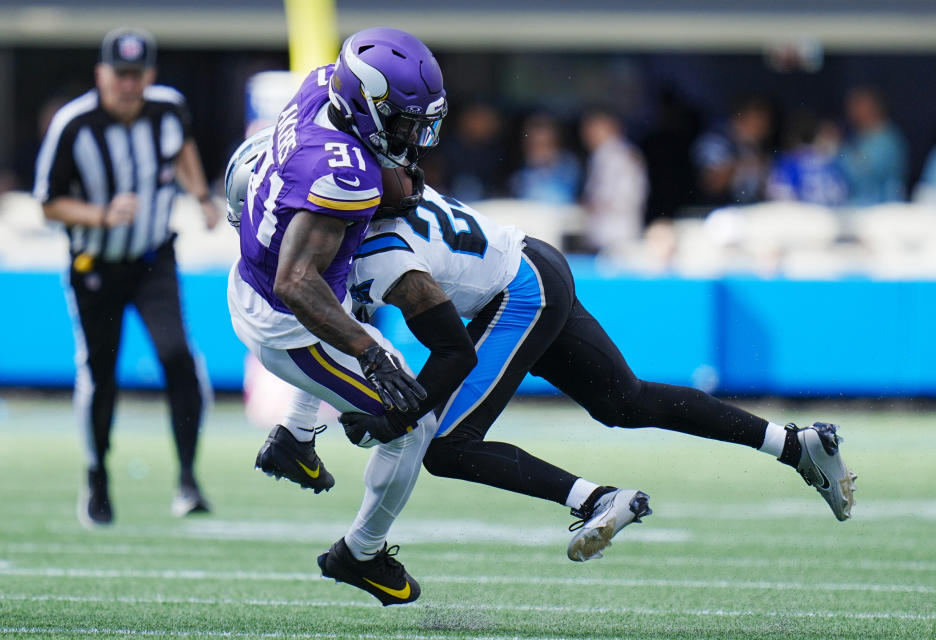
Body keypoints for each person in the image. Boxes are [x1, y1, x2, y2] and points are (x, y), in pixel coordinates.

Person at [226, 140, 857, 567]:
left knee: (443, 443)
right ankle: (795, 443)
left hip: (519, 293)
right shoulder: (358, 200)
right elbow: (345, 320)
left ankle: (595, 498)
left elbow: (449, 355)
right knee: (624, 402)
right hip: (531, 260)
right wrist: (298, 430)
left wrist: (388, 419)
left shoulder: (369, 248)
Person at [224, 28, 462, 607]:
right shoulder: (341, 173)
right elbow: (297, 283)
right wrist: (371, 355)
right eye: (403, 121)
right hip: (288, 319)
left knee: (355, 265)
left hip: (265, 275)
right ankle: (360, 553)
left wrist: (386, 184)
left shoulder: (320, 87)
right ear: (367, 103)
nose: (414, 135)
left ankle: (295, 440)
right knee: (412, 421)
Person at [33, 27, 220, 528]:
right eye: (120, 75)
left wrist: (201, 196)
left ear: (149, 76)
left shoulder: (168, 109)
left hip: (154, 258)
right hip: (94, 265)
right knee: (100, 374)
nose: (128, 85)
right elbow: (47, 204)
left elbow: (182, 146)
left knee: (178, 357)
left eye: (137, 75)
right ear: (102, 74)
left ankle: (187, 478)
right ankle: (96, 477)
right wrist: (100, 215)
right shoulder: (74, 125)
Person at [578, 109, 648, 255]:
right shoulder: (601, 155)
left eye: (593, 127)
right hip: (606, 235)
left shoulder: (618, 155)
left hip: (617, 236)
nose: (587, 134)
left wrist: (590, 205)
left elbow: (627, 197)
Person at [692, 95, 774, 207]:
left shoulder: (752, 146)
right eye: (759, 123)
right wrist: (747, 163)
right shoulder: (714, 141)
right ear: (741, 118)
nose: (765, 129)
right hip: (714, 212)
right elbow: (713, 184)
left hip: (747, 211)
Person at [839, 86, 908, 206]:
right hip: (857, 206)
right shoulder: (859, 136)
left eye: (858, 105)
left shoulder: (887, 138)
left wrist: (837, 150)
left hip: (884, 208)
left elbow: (863, 172)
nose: (853, 112)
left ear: (872, 107)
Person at [509, 113, 582, 205]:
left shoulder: (568, 164)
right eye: (533, 145)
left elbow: (563, 195)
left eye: (543, 144)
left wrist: (548, 165)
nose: (539, 150)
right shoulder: (523, 169)